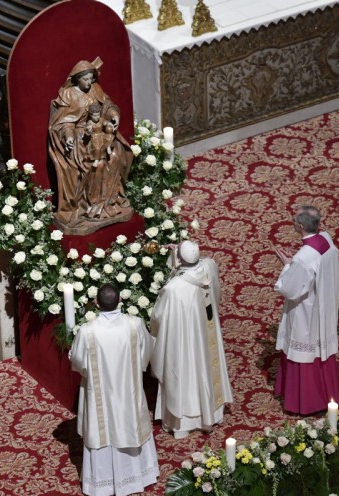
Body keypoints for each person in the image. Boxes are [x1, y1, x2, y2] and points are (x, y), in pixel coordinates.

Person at [68, 283, 158, 496]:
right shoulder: (135, 324)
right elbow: (148, 349)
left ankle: (103, 483)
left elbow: (78, 361)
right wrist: (137, 367)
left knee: (103, 427)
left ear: (96, 303)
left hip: (100, 395)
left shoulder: (87, 331)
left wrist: (88, 371)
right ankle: (139, 475)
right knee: (130, 423)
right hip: (129, 392)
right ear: (120, 300)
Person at [151, 240, 233, 439]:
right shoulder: (209, 267)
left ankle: (184, 423)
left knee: (185, 372)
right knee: (204, 367)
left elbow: (159, 317)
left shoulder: (173, 289)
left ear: (180, 259)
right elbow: (194, 266)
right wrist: (176, 255)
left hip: (183, 339)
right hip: (205, 330)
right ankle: (210, 415)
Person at [272, 206, 339, 414]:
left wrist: (287, 266)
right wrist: (293, 264)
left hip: (307, 312)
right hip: (324, 304)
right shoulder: (326, 239)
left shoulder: (303, 258)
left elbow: (290, 289)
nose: (292, 222)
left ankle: (306, 402)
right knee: (320, 351)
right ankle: (326, 394)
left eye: (294, 220)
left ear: (301, 226)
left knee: (304, 351)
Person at [47, 57, 132, 226]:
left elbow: (108, 106)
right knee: (95, 166)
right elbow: (63, 123)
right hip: (80, 138)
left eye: (91, 79)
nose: (89, 82)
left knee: (116, 155)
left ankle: (109, 203)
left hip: (100, 134)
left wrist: (113, 115)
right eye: (85, 79)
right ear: (77, 78)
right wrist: (69, 137)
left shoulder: (95, 89)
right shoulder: (68, 95)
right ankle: (90, 207)